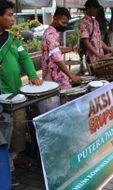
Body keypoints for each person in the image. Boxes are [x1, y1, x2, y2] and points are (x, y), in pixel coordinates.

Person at [0, 0, 43, 187]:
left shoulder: (13, 38)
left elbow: (24, 56)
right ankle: (7, 169)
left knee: (18, 128)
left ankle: (13, 159)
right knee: (4, 132)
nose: (12, 18)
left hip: (15, 94)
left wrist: (33, 75)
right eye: (9, 14)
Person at [41, 7, 82, 90]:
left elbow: (55, 51)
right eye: (63, 23)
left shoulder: (50, 31)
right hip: (54, 76)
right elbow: (57, 58)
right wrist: (71, 76)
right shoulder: (51, 35)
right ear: (55, 18)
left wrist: (71, 48)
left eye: (67, 23)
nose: (65, 26)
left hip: (54, 75)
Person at [79, 0, 113, 65]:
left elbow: (99, 40)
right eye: (95, 8)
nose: (96, 10)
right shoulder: (84, 22)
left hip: (100, 56)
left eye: (97, 8)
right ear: (88, 8)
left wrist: (109, 49)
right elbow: (86, 42)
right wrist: (98, 55)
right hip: (91, 57)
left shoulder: (95, 22)